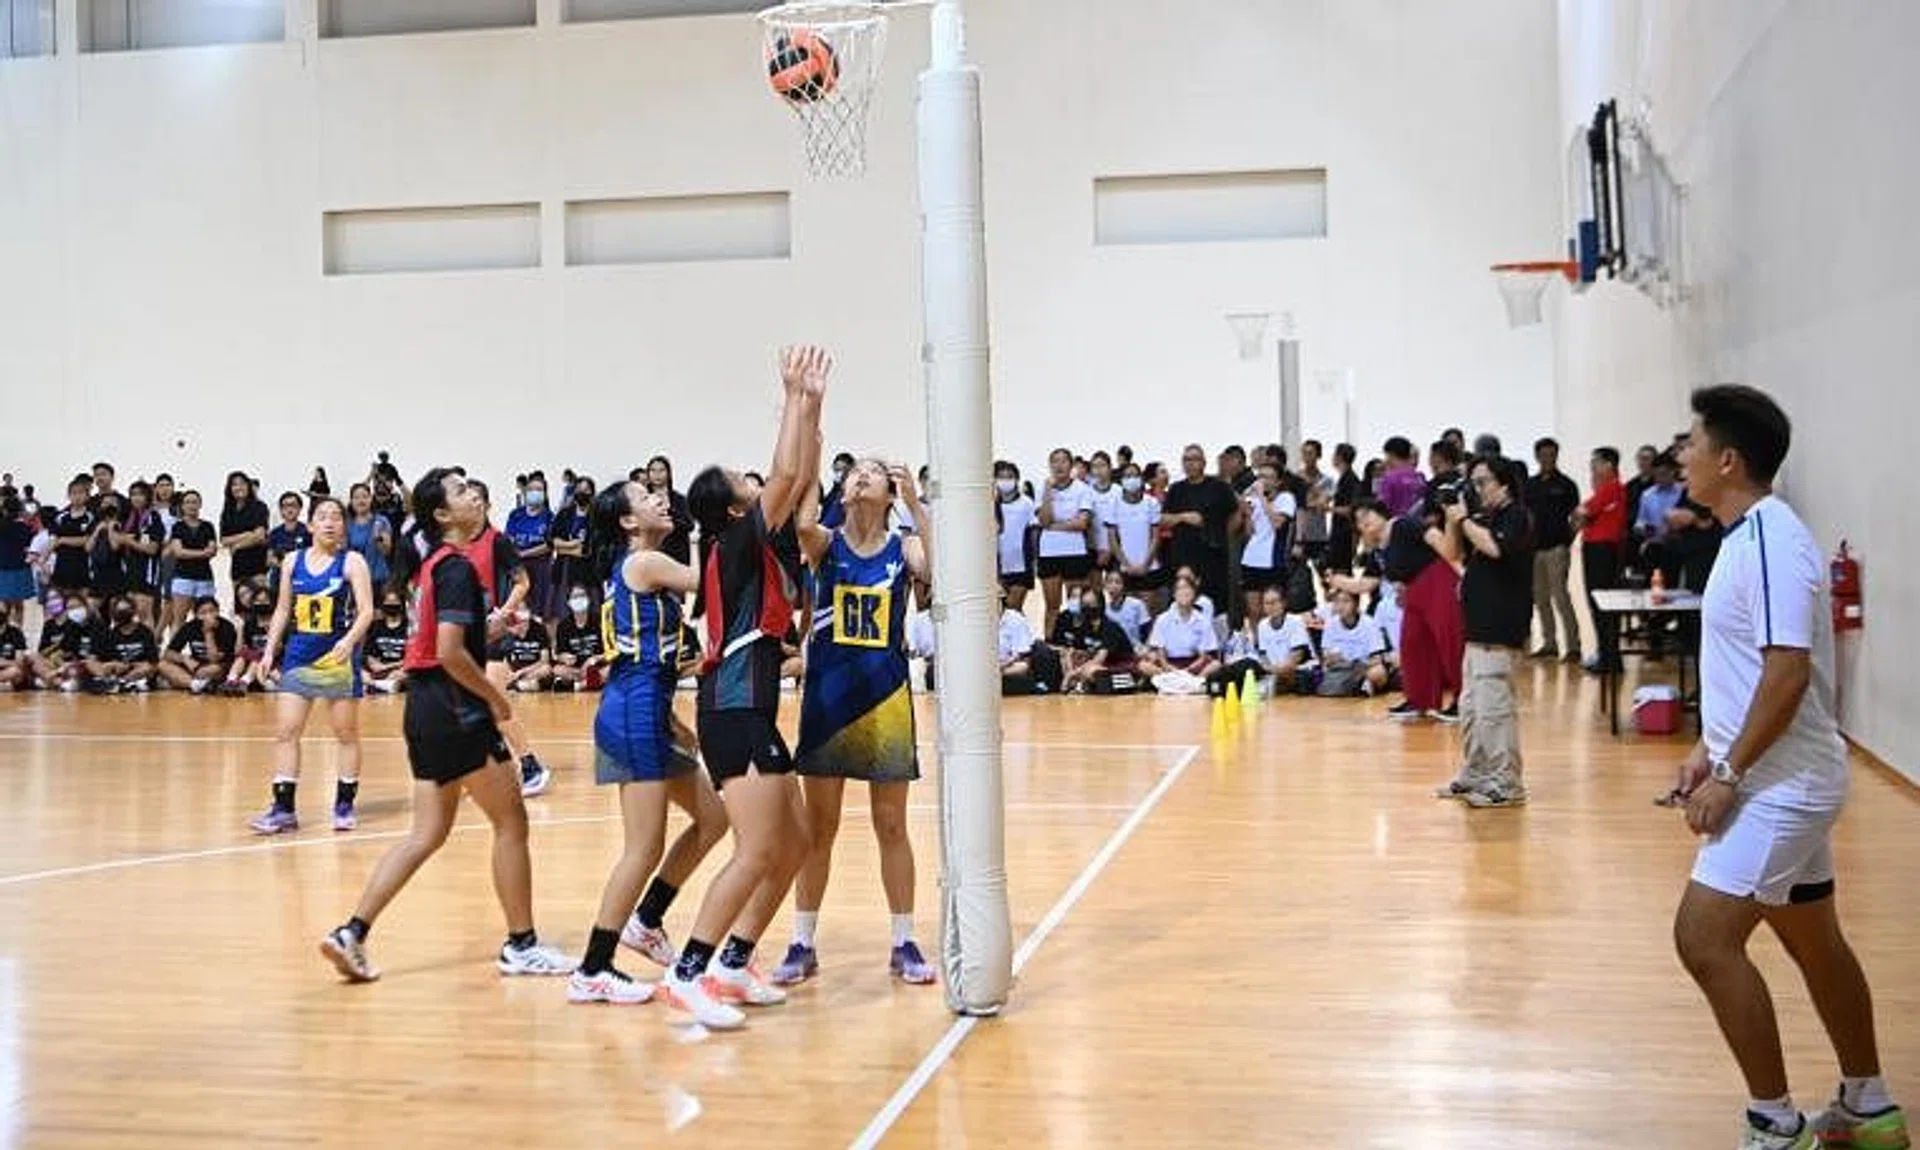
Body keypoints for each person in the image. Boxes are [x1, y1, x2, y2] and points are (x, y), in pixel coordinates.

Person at [1668, 386, 1907, 1150]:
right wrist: (1708, 746)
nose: (1682, 456)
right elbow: (1749, 667)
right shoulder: (1742, 538)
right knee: (1814, 940)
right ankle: (1868, 1107)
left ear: (1728, 459)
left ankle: (1775, 1124)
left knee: (1703, 939)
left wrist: (1730, 774)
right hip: (1774, 772)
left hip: (1781, 785)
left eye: (1693, 444)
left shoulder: (1774, 540)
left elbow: (1788, 673)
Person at [320, 468, 573, 984]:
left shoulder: (435, 565)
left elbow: (448, 637)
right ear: (441, 514)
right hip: (457, 706)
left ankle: (352, 932)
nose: (473, 494)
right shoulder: (455, 566)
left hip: (426, 710)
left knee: (427, 833)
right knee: (512, 824)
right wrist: (495, 699)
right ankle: (521, 946)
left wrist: (492, 625)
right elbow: (450, 653)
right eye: (460, 490)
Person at [658, 345, 828, 1029]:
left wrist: (815, 406)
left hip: (752, 707)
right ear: (731, 510)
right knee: (756, 849)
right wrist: (789, 395)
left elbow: (802, 476)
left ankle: (733, 961)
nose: (758, 482)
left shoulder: (761, 545)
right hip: (730, 710)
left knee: (793, 845)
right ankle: (687, 971)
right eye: (743, 480)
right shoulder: (733, 546)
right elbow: (787, 471)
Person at [773, 458, 936, 986]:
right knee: (820, 828)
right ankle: (802, 941)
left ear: (890, 491)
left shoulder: (902, 547)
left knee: (891, 823)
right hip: (827, 699)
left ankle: (904, 940)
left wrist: (915, 503)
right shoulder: (826, 542)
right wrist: (814, 450)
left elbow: (939, 568)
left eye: (874, 471)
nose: (862, 476)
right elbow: (800, 526)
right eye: (854, 471)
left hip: (886, 699)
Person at [568, 480, 729, 1006]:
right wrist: (714, 524)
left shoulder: (643, 564)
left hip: (650, 708)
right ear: (628, 523)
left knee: (714, 818)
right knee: (643, 847)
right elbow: (709, 586)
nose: (661, 498)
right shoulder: (643, 563)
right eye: (646, 497)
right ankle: (593, 966)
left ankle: (649, 920)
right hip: (632, 710)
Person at [252, 497, 375, 834]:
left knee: (345, 733)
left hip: (336, 658)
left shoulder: (352, 562)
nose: (331, 522)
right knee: (286, 731)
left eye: (337, 517)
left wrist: (348, 642)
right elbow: (281, 610)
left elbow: (366, 611)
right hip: (298, 656)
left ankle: (344, 802)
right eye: (323, 516)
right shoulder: (292, 561)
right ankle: (283, 808)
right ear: (311, 526)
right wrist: (268, 652)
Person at [1433, 456, 1534, 807]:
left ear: (1503, 484)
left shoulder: (1516, 517)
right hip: (1475, 632)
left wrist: (1463, 519)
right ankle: (1476, 771)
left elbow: (1495, 547)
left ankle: (1506, 782)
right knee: (1472, 708)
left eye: (1482, 482)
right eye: (1471, 484)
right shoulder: (1482, 519)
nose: (1476, 490)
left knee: (1495, 710)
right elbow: (1451, 552)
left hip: (1499, 630)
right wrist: (1452, 520)